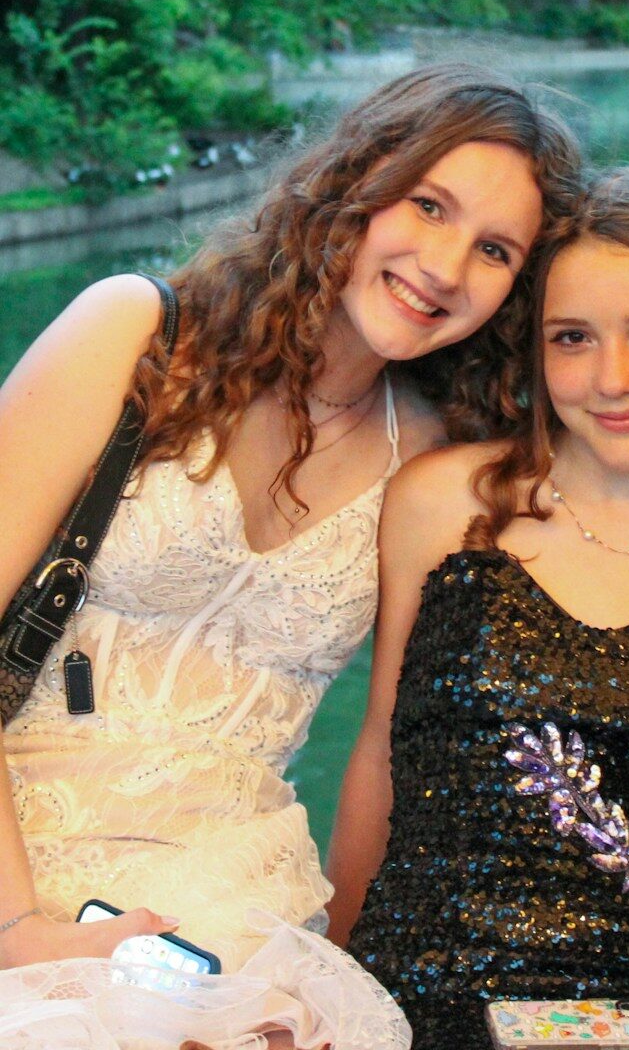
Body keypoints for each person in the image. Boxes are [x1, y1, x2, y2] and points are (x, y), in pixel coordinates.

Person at [0, 63, 581, 1047]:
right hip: (21, 868)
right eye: (428, 205)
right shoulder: (137, 333)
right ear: (355, 183)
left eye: (492, 248)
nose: (444, 264)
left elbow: (397, 747)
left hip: (239, 899)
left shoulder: (437, 459)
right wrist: (18, 930)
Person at [323, 165, 629, 1049]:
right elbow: (378, 754)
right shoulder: (444, 503)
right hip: (419, 985)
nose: (614, 378)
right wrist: (337, 976)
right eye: (572, 339)